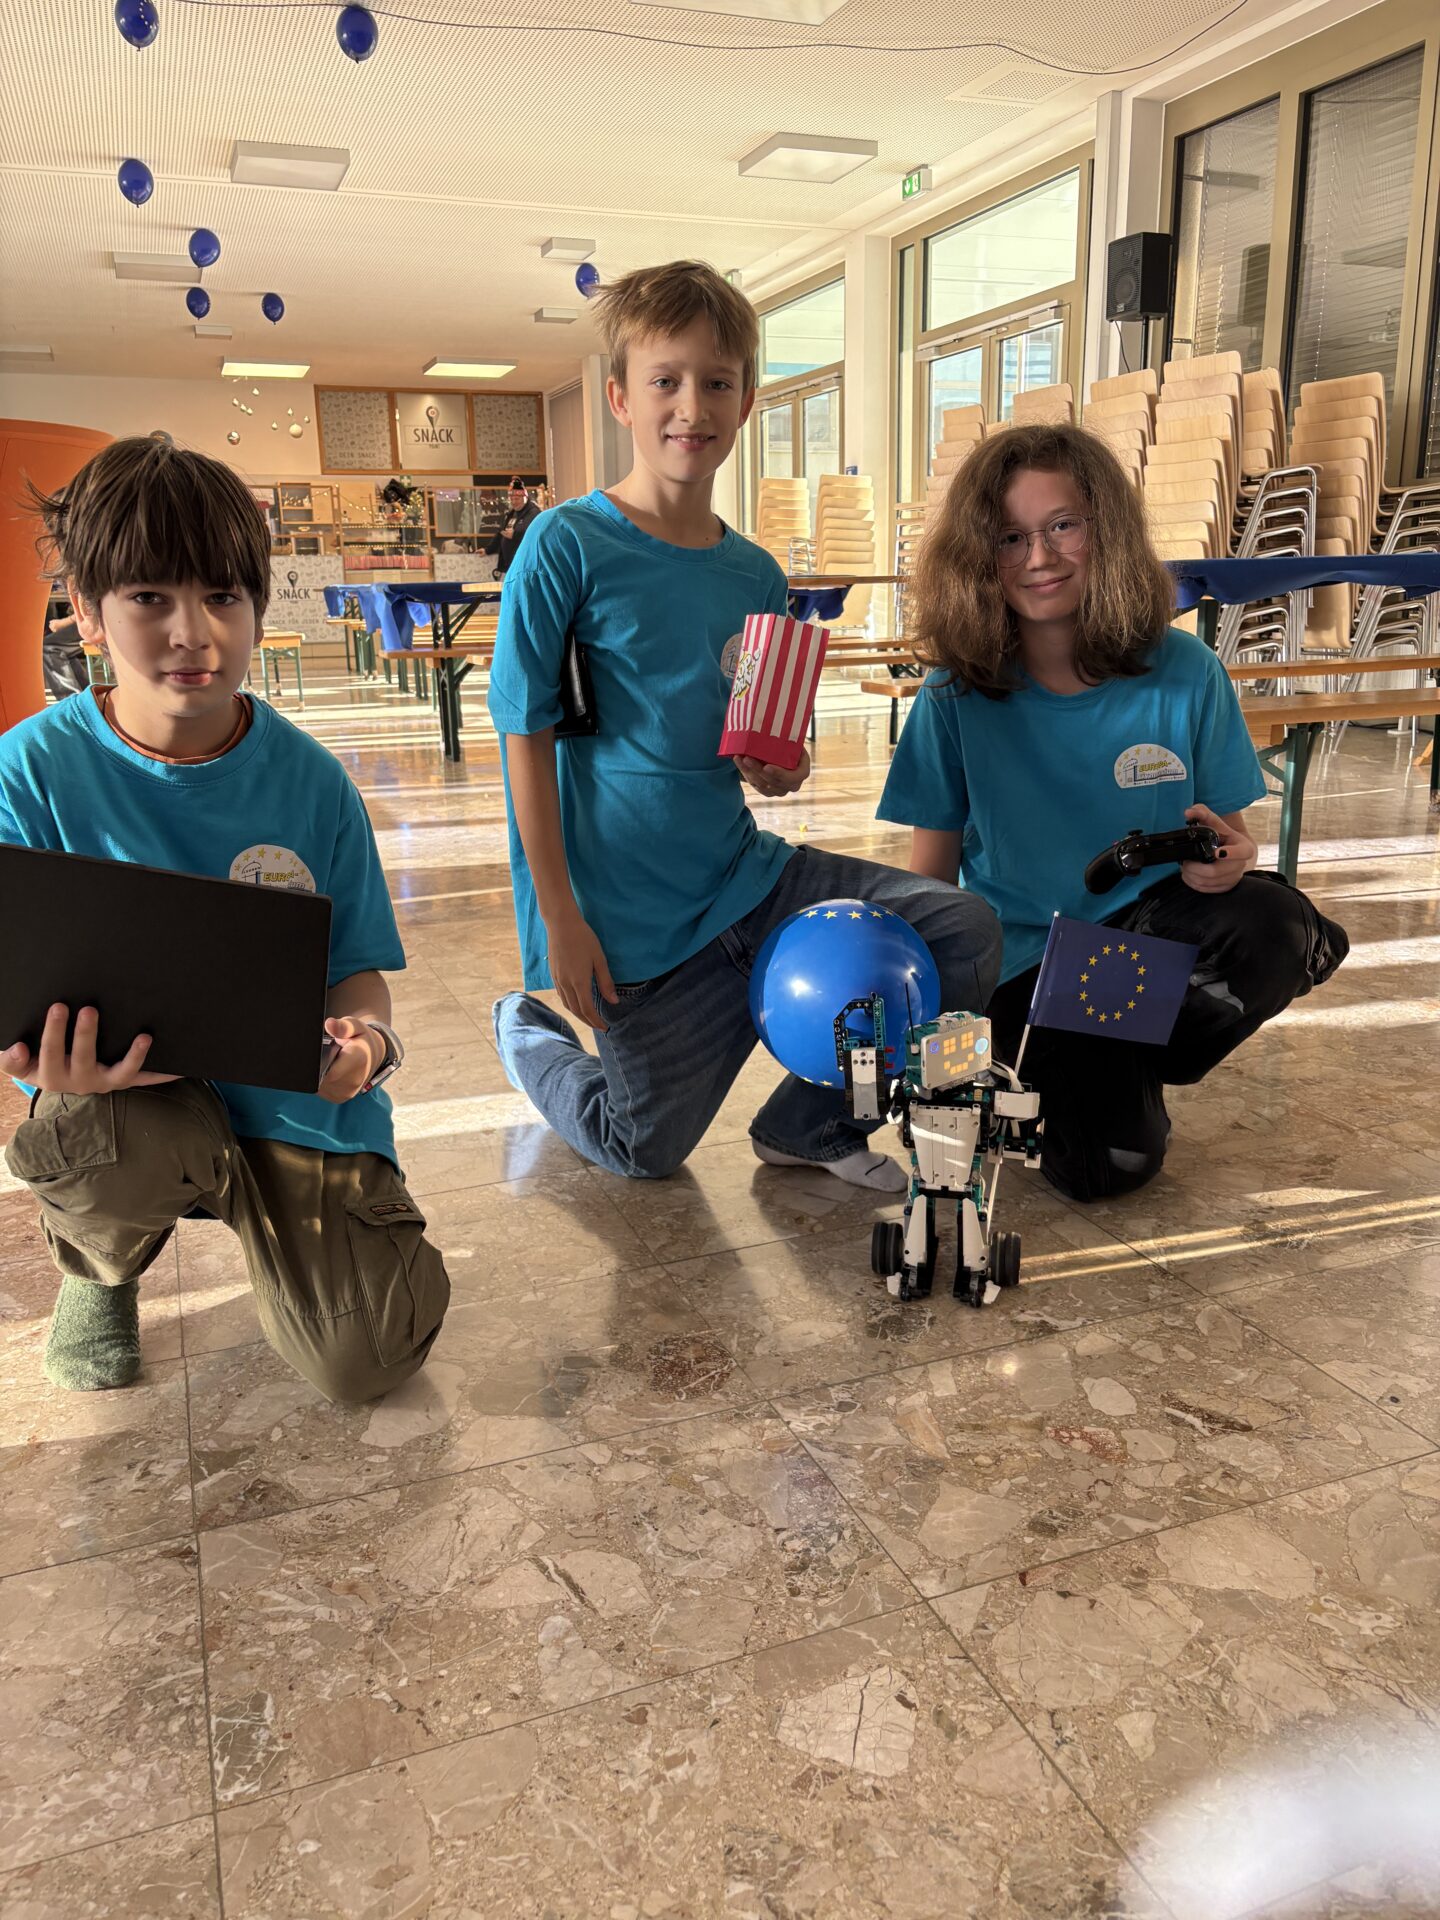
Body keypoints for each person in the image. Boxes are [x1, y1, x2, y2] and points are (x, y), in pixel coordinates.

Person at [488, 260, 1000, 1189]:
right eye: (666, 380)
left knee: (961, 931)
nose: (692, 407)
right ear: (621, 397)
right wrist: (558, 916)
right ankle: (525, 1037)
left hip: (751, 882)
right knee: (644, 1150)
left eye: (717, 382)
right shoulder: (565, 545)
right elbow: (523, 735)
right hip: (634, 924)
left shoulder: (757, 574)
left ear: (748, 400)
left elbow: (761, 739)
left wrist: (781, 768)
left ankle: (808, 1125)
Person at [0, 438, 449, 1396]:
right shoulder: (28, 774)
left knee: (368, 1356)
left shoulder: (315, 782)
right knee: (103, 1147)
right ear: (87, 609)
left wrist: (369, 1045)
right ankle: (100, 1267)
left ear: (257, 606)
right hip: (126, 1103)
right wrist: (44, 1070)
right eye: (148, 597)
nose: (193, 633)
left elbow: (356, 971)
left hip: (293, 1105)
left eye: (222, 596)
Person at [878, 423, 1347, 1203]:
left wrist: (1229, 860)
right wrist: (936, 1040)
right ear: (978, 555)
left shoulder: (1186, 669)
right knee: (1106, 1174)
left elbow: (1232, 842)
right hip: (1027, 969)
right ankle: (1102, 1072)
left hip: (1147, 938)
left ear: (1108, 530)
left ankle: (1125, 1059)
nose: (1040, 556)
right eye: (1010, 537)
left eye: (1063, 525)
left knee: (1277, 928)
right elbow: (932, 884)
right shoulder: (954, 694)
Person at [487, 478, 540, 579]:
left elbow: (531, 532)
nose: (514, 502)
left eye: (517, 499)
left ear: (525, 497)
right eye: (512, 499)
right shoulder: (512, 513)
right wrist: (487, 550)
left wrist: (515, 535)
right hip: (510, 566)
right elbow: (501, 532)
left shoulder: (534, 513)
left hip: (526, 566)